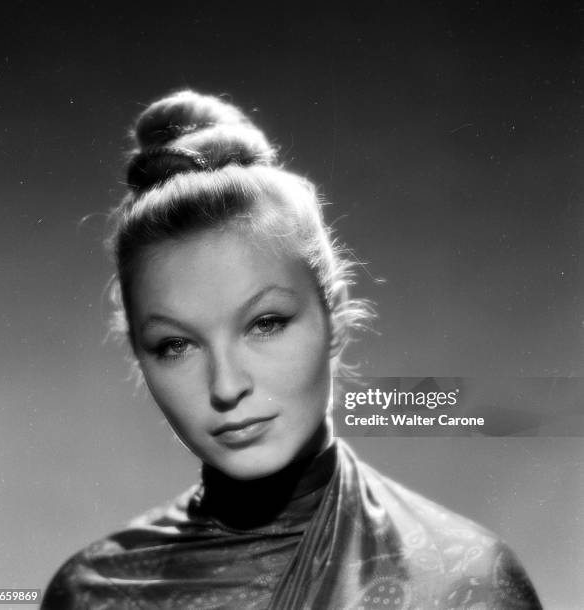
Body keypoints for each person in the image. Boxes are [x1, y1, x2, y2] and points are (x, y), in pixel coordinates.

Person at [41, 90, 542, 609]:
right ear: (138, 356)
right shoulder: (92, 594)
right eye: (175, 345)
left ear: (337, 316)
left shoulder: (465, 583)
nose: (227, 386)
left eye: (266, 323)